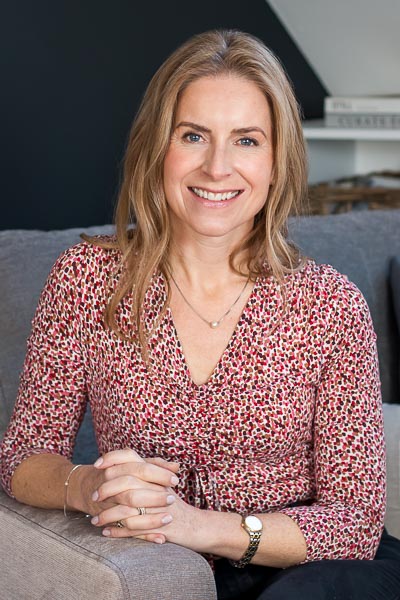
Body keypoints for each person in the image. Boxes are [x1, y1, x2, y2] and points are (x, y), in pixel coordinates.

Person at [0, 29, 399, 600]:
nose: (218, 167)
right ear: (157, 147)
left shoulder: (329, 304)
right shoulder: (87, 280)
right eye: (194, 135)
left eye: (246, 140)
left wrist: (195, 525)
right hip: (171, 577)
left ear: (276, 160)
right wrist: (88, 487)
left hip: (319, 572)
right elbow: (23, 454)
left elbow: (355, 523)